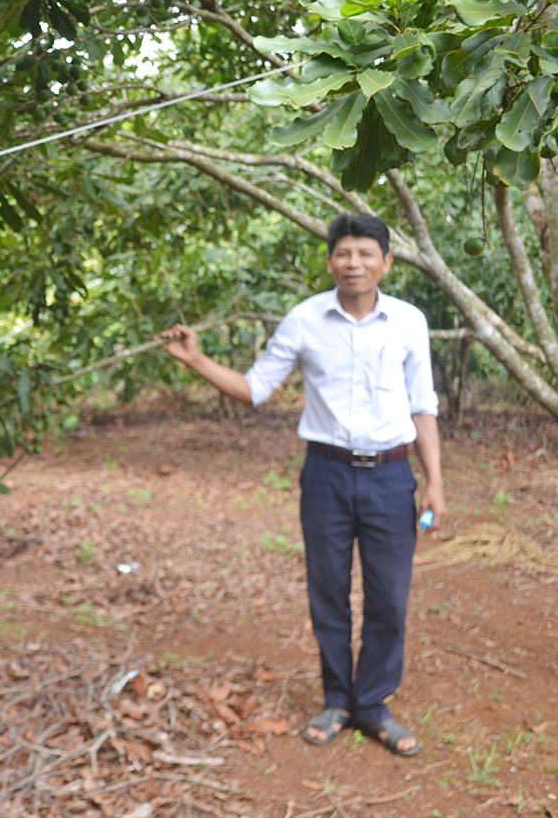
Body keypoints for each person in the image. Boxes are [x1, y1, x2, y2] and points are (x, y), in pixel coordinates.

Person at [161, 214, 445, 757]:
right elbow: (254, 389)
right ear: (330, 260)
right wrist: (196, 359)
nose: (354, 263)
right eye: (344, 253)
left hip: (391, 476)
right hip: (326, 476)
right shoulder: (304, 319)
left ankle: (374, 704)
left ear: (387, 262)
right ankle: (338, 699)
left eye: (366, 253)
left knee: (389, 596)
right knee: (328, 593)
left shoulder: (408, 322)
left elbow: (423, 405)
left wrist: (435, 481)